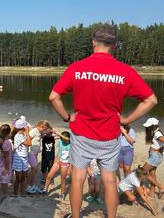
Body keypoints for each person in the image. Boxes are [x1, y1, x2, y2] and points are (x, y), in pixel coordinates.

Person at [49, 24, 157, 218]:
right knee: (109, 181)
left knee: (78, 178)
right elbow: (151, 100)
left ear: (93, 42)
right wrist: (126, 120)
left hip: (82, 134)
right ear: (114, 45)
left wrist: (67, 117)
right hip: (109, 135)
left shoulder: (77, 68)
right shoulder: (125, 71)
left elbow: (53, 97)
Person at [43, 131, 71, 200]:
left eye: (64, 139)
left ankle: (62, 194)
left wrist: (58, 133)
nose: (63, 141)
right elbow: (59, 152)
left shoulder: (72, 144)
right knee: (49, 176)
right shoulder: (60, 142)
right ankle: (45, 189)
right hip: (58, 162)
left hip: (66, 163)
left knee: (63, 180)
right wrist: (56, 161)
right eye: (62, 139)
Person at [26, 120, 51, 194]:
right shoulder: (34, 131)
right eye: (44, 129)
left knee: (35, 170)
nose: (45, 131)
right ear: (41, 126)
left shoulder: (39, 131)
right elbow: (27, 140)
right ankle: (28, 186)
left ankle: (31, 184)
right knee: (34, 169)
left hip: (35, 153)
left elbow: (42, 135)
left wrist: (46, 132)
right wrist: (28, 150)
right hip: (31, 153)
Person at [142, 117, 164, 198]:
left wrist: (159, 149)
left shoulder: (157, 133)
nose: (147, 127)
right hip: (154, 155)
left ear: (154, 125)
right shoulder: (155, 132)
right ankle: (152, 192)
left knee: (141, 172)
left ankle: (161, 187)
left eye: (149, 126)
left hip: (155, 156)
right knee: (152, 174)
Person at [12, 117, 31, 196]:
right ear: (23, 127)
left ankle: (22, 192)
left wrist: (26, 133)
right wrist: (27, 132)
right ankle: (15, 193)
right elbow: (29, 143)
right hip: (18, 158)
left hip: (24, 158)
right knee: (18, 178)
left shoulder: (22, 134)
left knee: (23, 177)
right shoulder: (18, 136)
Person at [0, 124, 12, 197]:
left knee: (3, 178)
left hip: (0, 161)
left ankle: (3, 192)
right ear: (9, 132)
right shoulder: (7, 143)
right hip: (5, 163)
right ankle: (5, 194)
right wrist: (6, 168)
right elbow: (6, 157)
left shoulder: (0, 140)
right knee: (5, 178)